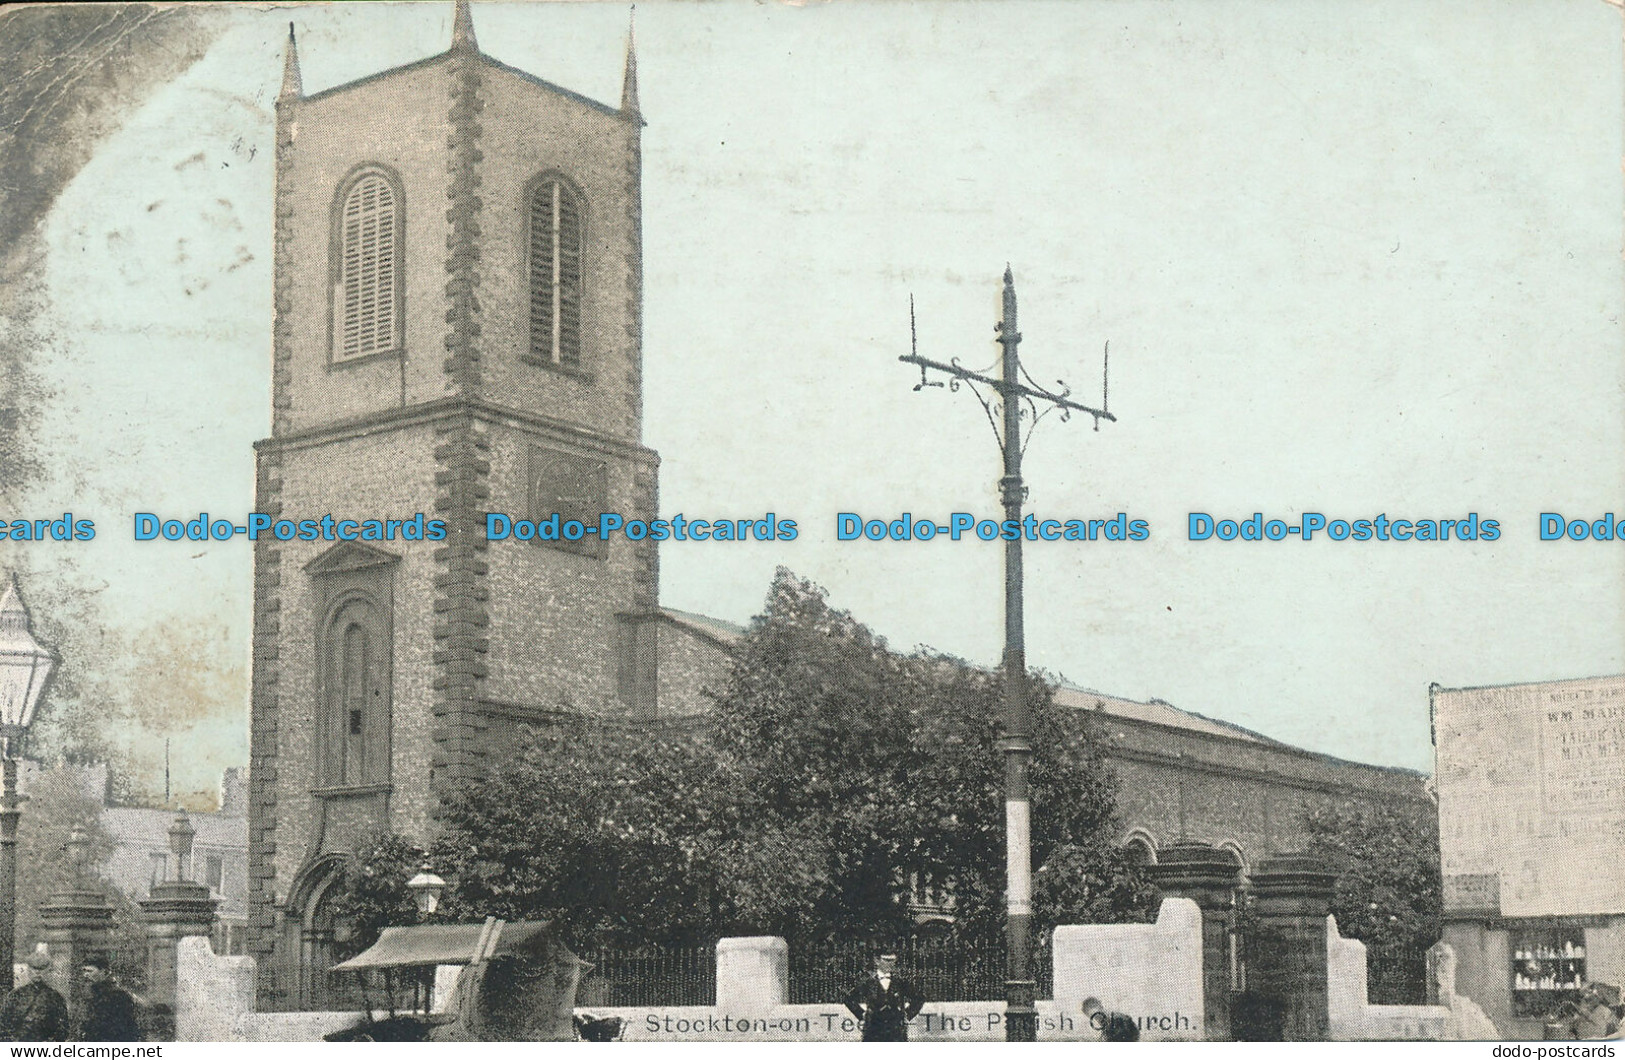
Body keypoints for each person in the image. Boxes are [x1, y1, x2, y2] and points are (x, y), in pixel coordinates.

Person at [843, 953, 925, 1042]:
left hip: (896, 1030)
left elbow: (919, 998)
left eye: (893, 960)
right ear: (877, 961)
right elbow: (848, 998)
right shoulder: (868, 982)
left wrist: (907, 1014)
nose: (890, 963)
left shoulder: (901, 982)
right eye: (886, 960)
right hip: (873, 1030)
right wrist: (862, 1014)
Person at [0, 949, 68, 1042]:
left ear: (48, 970)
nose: (37, 972)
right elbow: (3, 1024)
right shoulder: (16, 995)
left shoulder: (55, 997)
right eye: (34, 968)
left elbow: (63, 1029)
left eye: (42, 968)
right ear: (28, 969)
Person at [74, 955, 141, 1042]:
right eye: (84, 971)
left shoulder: (118, 995)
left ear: (104, 972)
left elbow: (125, 1028)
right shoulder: (89, 994)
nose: (85, 975)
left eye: (90, 971)